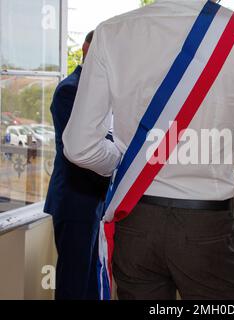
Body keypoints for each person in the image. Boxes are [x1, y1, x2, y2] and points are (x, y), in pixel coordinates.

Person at [63, 0, 234, 300]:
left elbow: (79, 147)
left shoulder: (111, 32)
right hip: (207, 223)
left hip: (136, 217)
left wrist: (128, 161)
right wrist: (218, 150)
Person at [44, 31, 110, 300]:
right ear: (85, 48)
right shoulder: (70, 90)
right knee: (73, 281)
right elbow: (83, 147)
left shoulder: (97, 90)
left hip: (92, 201)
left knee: (91, 278)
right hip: (74, 200)